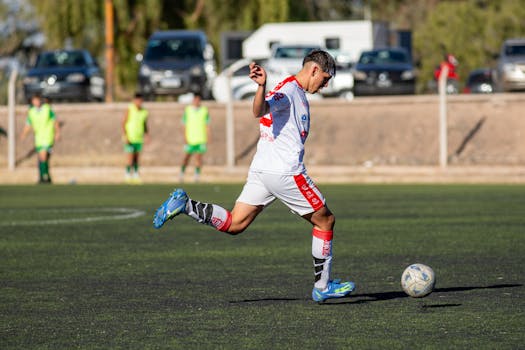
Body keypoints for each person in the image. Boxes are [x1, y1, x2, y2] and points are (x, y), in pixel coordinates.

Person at [153, 50, 355, 303]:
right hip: (285, 172)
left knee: (235, 224)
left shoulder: (295, 92)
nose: (326, 85)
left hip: (262, 170)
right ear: (314, 69)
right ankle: (323, 286)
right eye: (325, 78)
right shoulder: (289, 91)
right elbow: (260, 110)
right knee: (325, 221)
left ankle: (185, 205)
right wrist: (261, 87)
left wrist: (264, 89)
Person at [20, 94, 61, 184]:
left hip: (48, 136)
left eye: (37, 100)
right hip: (38, 137)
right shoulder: (31, 112)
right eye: (34, 101)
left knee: (43, 156)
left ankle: (44, 177)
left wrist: (57, 133)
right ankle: (46, 177)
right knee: (42, 158)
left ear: (40, 101)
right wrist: (23, 134)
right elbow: (28, 124)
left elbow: (55, 121)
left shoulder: (47, 109)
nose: (36, 102)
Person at [179, 93, 210, 183]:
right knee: (186, 157)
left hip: (201, 138)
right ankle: (182, 173)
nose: (197, 102)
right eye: (195, 100)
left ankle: (196, 175)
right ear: (193, 100)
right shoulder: (188, 110)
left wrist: (208, 136)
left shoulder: (204, 110)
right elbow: (184, 124)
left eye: (198, 100)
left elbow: (207, 124)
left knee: (198, 158)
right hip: (190, 138)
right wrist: (185, 137)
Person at [122, 92, 149, 183]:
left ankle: (136, 174)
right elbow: (124, 122)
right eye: (137, 100)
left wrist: (147, 134)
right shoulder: (130, 109)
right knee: (130, 158)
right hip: (130, 137)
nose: (139, 102)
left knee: (137, 158)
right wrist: (125, 136)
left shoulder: (144, 111)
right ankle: (127, 174)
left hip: (138, 138)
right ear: (134, 100)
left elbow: (144, 124)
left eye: (140, 101)